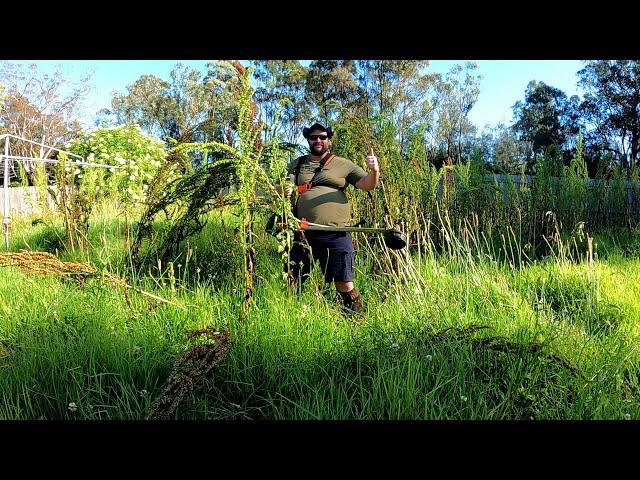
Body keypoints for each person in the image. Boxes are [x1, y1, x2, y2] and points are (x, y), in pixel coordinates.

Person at [283, 122, 380, 314]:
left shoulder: (343, 164)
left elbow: (367, 185)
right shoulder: (297, 164)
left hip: (335, 232)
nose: (318, 140)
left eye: (322, 137)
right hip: (303, 232)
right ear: (308, 140)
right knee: (294, 280)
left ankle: (355, 319)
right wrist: (285, 190)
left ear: (329, 139)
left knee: (344, 281)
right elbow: (281, 188)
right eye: (313, 137)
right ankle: (293, 318)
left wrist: (374, 170)